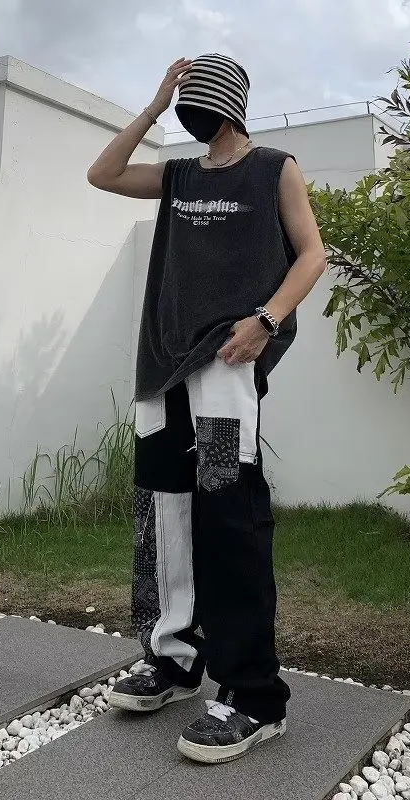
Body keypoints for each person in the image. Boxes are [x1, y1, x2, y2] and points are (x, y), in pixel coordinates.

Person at [87, 53, 326, 764]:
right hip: (162, 369)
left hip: (224, 367)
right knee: (163, 517)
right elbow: (102, 173)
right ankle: (174, 657)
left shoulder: (274, 168)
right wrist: (156, 103)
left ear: (231, 105)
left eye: (198, 98)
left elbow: (312, 255)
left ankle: (254, 695)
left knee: (228, 514)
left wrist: (266, 320)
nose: (192, 110)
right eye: (185, 99)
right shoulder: (179, 176)